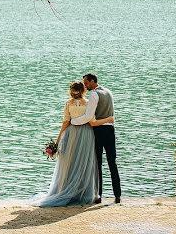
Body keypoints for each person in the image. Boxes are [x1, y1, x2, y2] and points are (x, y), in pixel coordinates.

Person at [37, 81, 113, 207]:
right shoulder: (88, 103)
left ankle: (66, 191)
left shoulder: (69, 103)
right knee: (84, 163)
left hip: (71, 134)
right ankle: (82, 193)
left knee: (69, 163)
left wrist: (58, 139)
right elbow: (92, 121)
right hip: (86, 135)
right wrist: (109, 120)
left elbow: (66, 122)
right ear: (83, 91)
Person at [71, 73, 122, 204]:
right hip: (110, 130)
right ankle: (117, 195)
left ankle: (99, 195)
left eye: (86, 83)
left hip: (99, 130)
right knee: (112, 162)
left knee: (97, 163)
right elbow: (111, 113)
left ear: (93, 81)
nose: (85, 86)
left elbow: (88, 116)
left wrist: (74, 121)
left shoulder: (94, 95)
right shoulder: (108, 92)